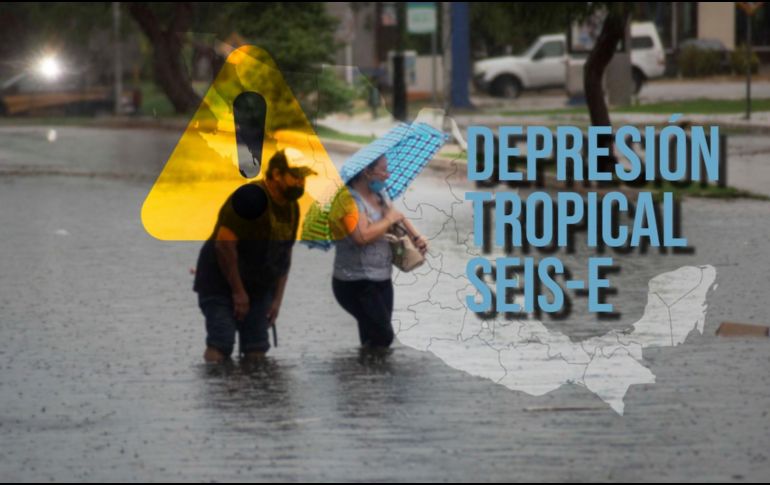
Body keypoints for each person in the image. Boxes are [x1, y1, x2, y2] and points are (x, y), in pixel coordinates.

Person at [193, 149, 316, 363]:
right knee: (221, 340)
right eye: (296, 177)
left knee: (257, 346)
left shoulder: (291, 207)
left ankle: (256, 395)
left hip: (259, 285)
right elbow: (224, 245)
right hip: (219, 281)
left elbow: (285, 254)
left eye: (304, 178)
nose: (301, 184)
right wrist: (238, 293)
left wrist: (277, 300)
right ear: (277, 174)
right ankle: (217, 393)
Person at [330, 155, 428, 349]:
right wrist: (388, 221)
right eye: (383, 170)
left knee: (374, 338)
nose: (387, 175)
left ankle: (366, 375)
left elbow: (396, 215)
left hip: (382, 278)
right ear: (367, 172)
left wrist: (416, 237)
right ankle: (369, 376)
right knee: (383, 335)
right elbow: (361, 236)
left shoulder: (380, 194)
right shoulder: (347, 201)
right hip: (355, 282)